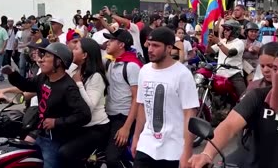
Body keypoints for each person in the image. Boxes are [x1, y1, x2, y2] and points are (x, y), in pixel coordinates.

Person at [3, 42, 92, 168]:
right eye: (42, 56)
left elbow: (84, 115)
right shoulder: (43, 77)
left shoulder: (68, 87)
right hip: (40, 132)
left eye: (47, 57)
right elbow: (27, 85)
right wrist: (12, 74)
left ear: (59, 62)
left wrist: (57, 122)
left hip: (56, 139)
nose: (41, 59)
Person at [132, 27, 199, 168]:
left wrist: (187, 151)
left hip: (173, 150)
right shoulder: (144, 71)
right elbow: (143, 106)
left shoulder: (182, 74)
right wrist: (137, 137)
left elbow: (189, 114)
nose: (150, 49)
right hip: (146, 146)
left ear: (169, 48)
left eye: (156, 45)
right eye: (149, 45)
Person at [60, 38, 111, 166]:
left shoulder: (96, 77)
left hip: (96, 128)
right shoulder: (74, 71)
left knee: (65, 153)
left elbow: (88, 107)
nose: (72, 51)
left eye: (76, 49)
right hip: (79, 125)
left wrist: (78, 84)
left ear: (85, 55)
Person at [104, 29, 143, 168]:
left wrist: (126, 127)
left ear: (121, 45)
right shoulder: (111, 62)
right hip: (109, 116)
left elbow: (137, 99)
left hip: (123, 117)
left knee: (112, 159)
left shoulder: (131, 66)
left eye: (111, 40)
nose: (107, 43)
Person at [206, 20, 246, 96]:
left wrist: (218, 42)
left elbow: (229, 53)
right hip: (220, 74)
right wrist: (210, 42)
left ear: (235, 31)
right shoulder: (223, 41)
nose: (224, 31)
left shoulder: (239, 42)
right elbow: (208, 51)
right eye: (224, 29)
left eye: (227, 30)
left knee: (244, 98)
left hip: (234, 75)